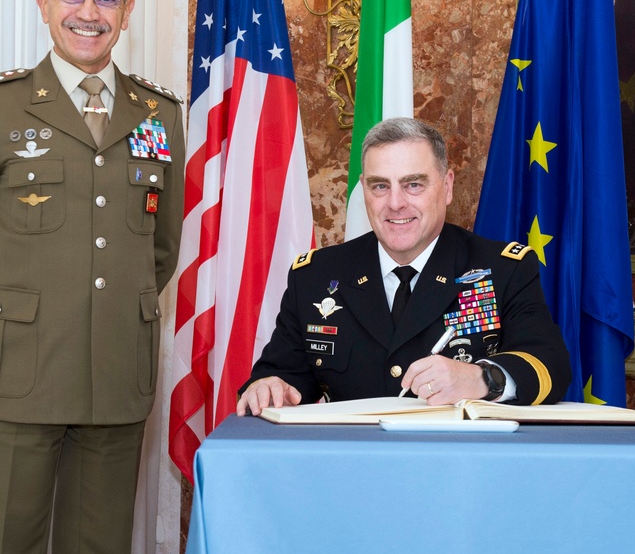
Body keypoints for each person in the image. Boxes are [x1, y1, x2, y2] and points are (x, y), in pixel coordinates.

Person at [0, 0, 184, 554]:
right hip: (20, 373)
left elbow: (161, 248)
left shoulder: (159, 114)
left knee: (100, 550)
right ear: (45, 5)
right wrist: (12, 324)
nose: (88, 12)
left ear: (127, 12)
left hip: (115, 375)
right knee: (4, 547)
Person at [237, 118, 570, 416]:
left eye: (413, 184)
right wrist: (269, 385)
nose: (395, 203)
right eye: (380, 185)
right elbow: (280, 374)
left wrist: (484, 378)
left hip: (462, 469)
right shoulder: (317, 276)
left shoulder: (502, 269)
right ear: (364, 189)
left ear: (448, 186)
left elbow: (550, 367)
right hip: (349, 469)